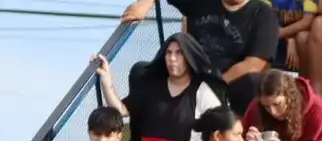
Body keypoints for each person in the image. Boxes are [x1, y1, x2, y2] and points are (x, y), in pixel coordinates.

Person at [93, 35, 229, 141]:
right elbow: (121, 110)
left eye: (179, 53)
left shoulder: (202, 91)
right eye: (168, 53)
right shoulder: (151, 86)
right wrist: (106, 81)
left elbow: (220, 128)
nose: (172, 58)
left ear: (189, 57)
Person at [119, 0, 279, 115]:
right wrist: (144, 3)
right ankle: (137, 137)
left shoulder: (263, 13)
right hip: (190, 74)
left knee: (253, 82)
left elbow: (254, 64)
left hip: (227, 85)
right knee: (139, 71)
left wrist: (211, 85)